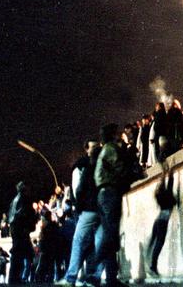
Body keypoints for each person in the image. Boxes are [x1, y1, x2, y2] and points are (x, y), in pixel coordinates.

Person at [57, 140, 102, 287]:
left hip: (89, 209)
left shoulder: (83, 166)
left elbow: (79, 190)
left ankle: (73, 277)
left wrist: (79, 207)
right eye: (94, 146)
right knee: (98, 243)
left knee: (80, 241)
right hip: (100, 209)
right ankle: (92, 277)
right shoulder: (102, 163)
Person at [94, 123, 128, 287]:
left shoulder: (103, 151)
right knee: (110, 235)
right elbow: (120, 169)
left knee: (110, 234)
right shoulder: (111, 149)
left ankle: (111, 278)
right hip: (110, 193)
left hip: (103, 194)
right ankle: (93, 269)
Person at [146, 163, 177, 277]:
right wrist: (170, 173)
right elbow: (170, 185)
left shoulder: (160, 196)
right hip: (163, 221)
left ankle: (152, 265)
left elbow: (166, 185)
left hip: (158, 220)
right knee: (159, 243)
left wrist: (165, 173)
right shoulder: (167, 195)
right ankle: (153, 266)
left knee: (155, 242)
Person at [8, 181, 36, 283]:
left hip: (16, 229)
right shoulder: (24, 199)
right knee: (19, 254)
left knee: (18, 253)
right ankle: (14, 278)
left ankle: (14, 278)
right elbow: (25, 214)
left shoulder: (14, 200)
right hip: (21, 229)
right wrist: (30, 225)